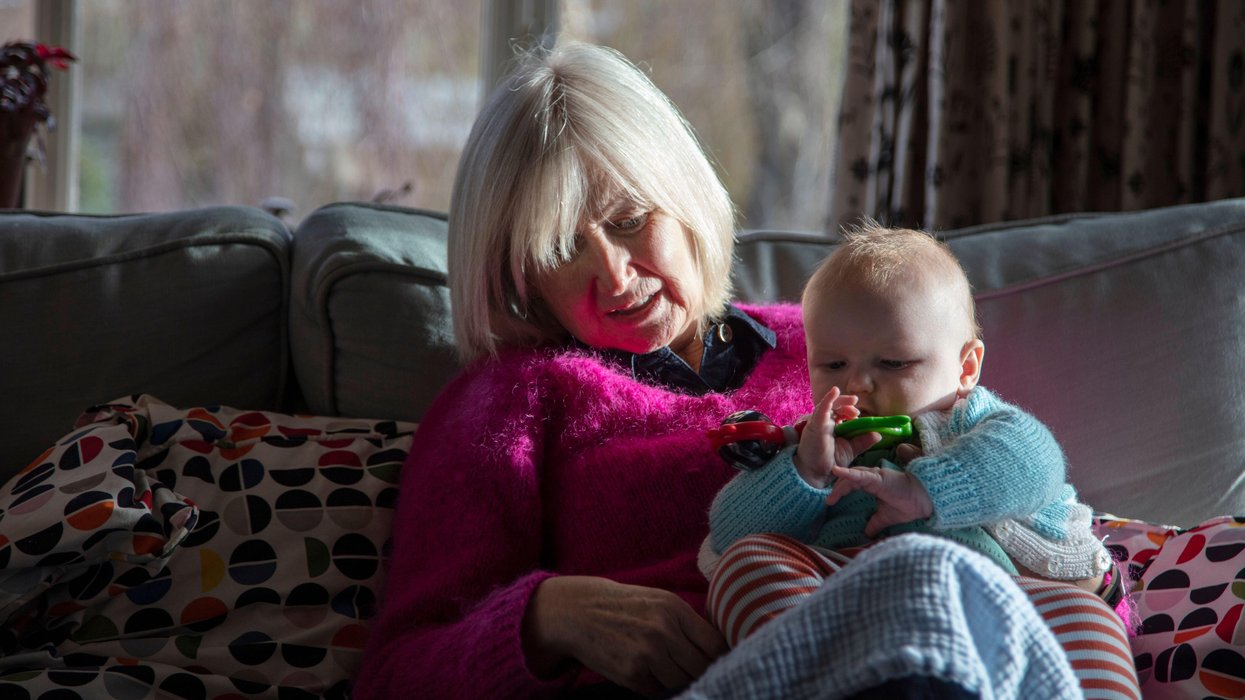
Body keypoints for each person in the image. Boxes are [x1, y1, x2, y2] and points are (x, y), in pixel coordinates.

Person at [352, 42, 1140, 699]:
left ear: (685, 197)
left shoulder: (839, 339)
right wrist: (546, 615)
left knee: (934, 581)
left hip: (944, 645)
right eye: (562, 249)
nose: (616, 277)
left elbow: (1014, 480)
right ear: (519, 272)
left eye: (630, 221)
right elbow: (394, 675)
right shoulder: (505, 402)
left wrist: (1084, 588)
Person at [700, 225, 1125, 649]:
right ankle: (817, 673)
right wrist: (804, 473)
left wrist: (928, 489)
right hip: (840, 605)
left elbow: (1038, 463)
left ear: (966, 368)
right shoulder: (811, 444)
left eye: (893, 362)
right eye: (832, 365)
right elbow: (727, 532)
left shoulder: (973, 421)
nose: (857, 383)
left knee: (1092, 624)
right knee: (745, 567)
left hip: (979, 595)